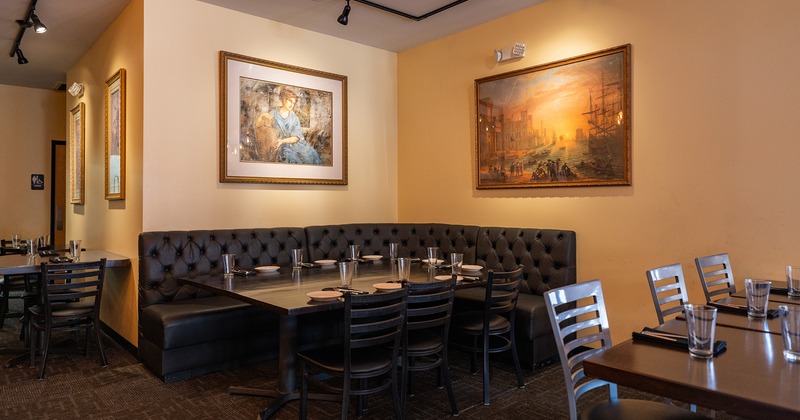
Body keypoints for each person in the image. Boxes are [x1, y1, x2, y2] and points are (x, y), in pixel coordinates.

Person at [268, 88, 321, 164]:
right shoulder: (272, 114)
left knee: (312, 157)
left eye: (294, 102)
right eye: (290, 101)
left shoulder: (294, 118)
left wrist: (282, 141)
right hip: (281, 146)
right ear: (283, 99)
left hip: (297, 145)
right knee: (289, 157)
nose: (292, 105)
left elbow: (296, 138)